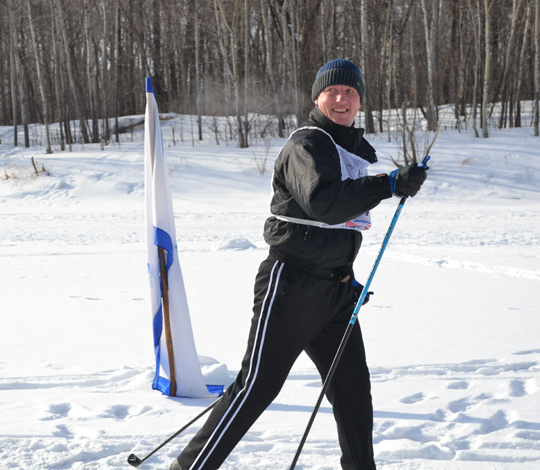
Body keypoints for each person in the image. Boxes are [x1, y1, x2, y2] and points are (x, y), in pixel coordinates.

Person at [170, 59, 428, 470]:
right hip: (291, 285)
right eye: (334, 92)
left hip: (336, 291)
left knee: (353, 392)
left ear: (360, 101)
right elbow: (325, 204)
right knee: (257, 387)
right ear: (317, 98)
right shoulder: (307, 143)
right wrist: (389, 183)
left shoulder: (347, 151)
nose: (342, 99)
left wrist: (346, 277)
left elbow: (342, 226)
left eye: (351, 92)